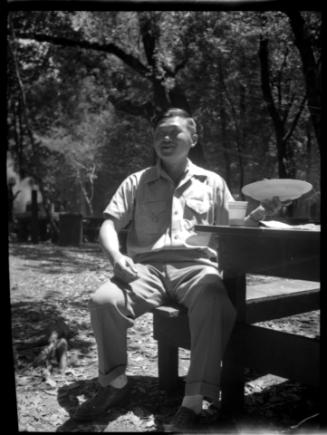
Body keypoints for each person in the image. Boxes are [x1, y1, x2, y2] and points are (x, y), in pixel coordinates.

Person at [73, 108, 281, 430]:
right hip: (146, 270)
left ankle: (193, 402)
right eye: (159, 134)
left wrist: (260, 214)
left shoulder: (212, 183)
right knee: (103, 301)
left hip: (196, 267)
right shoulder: (137, 181)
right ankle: (115, 386)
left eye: (173, 132)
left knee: (214, 300)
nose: (165, 138)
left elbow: (233, 229)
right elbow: (109, 224)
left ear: (193, 138)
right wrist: (116, 257)